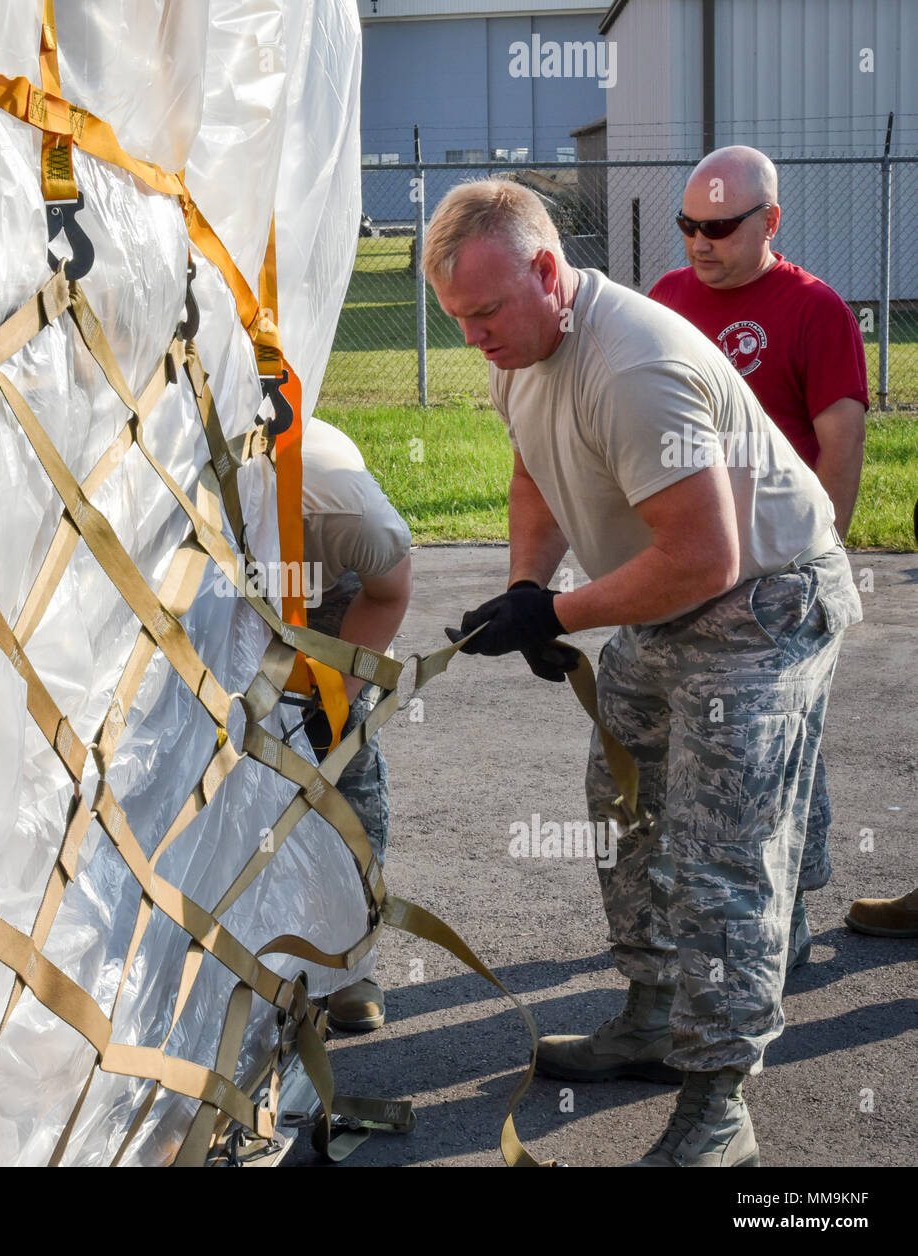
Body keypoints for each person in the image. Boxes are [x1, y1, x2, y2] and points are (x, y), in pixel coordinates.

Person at [424, 179, 862, 1166]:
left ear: (546, 270)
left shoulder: (633, 363)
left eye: (486, 312)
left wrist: (563, 611)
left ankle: (717, 1105)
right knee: (620, 789)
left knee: (718, 850)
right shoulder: (522, 352)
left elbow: (703, 556)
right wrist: (527, 584)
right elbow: (534, 464)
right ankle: (653, 1012)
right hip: (675, 600)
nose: (473, 338)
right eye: (457, 318)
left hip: (763, 598)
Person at [650, 146, 868, 969]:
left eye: (717, 228)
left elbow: (841, 443)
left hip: (780, 577)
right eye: (687, 227)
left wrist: (813, 561)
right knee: (699, 750)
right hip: (693, 565)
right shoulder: (667, 300)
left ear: (769, 221)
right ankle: (689, 917)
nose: (698, 244)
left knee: (779, 752)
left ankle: (792, 908)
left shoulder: (815, 308)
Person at [300, 416, 412, 1031]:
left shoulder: (345, 513)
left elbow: (389, 592)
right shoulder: (173, 485)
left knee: (343, 762)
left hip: (326, 584)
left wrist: (336, 698)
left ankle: (348, 964)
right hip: (215, 589)